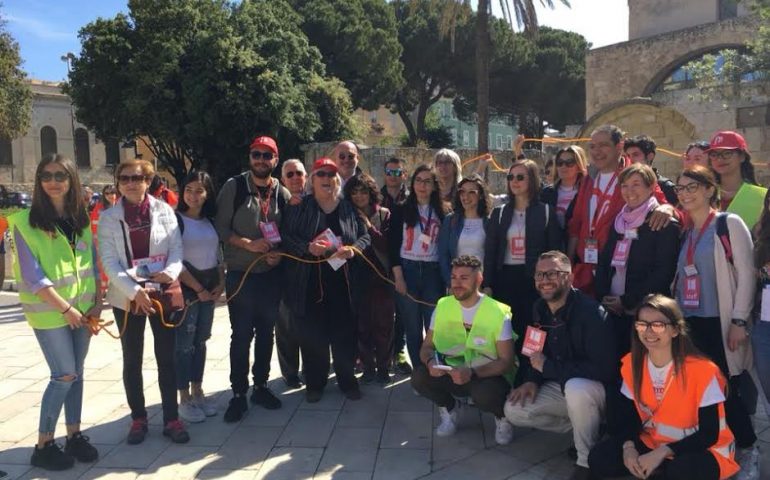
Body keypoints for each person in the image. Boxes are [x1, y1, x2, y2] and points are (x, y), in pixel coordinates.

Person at [8, 154, 101, 470]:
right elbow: (34, 277)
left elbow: (90, 264)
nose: (53, 181)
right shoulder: (23, 221)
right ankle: (44, 444)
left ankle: (74, 435)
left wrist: (97, 301)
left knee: (77, 374)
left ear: (71, 180)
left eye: (60, 175)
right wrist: (67, 310)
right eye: (46, 175)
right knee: (64, 375)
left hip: (84, 310)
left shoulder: (81, 219)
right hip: (51, 314)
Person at [588, 294, 740, 480]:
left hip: (703, 449)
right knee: (599, 458)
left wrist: (662, 453)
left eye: (658, 325)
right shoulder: (631, 365)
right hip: (653, 442)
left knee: (681, 470)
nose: (649, 331)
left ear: (675, 330)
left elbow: (709, 434)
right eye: (642, 324)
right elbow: (628, 419)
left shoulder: (702, 370)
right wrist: (629, 448)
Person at [98, 159, 189, 444]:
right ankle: (138, 418)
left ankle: (172, 418)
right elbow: (109, 262)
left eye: (136, 178)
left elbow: (176, 250)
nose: (129, 183)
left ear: (148, 180)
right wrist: (132, 290)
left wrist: (169, 274)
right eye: (123, 178)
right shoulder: (109, 217)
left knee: (167, 358)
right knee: (132, 357)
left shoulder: (164, 210)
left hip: (160, 290)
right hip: (127, 295)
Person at [504, 251, 617, 480]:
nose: (545, 280)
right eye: (539, 274)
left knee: (577, 388)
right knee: (514, 410)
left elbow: (605, 370)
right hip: (564, 385)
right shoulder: (538, 308)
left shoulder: (592, 313)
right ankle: (588, 430)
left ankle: (586, 462)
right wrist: (531, 380)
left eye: (552, 274)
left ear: (569, 277)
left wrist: (549, 369)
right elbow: (533, 353)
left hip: (596, 391)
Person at [673, 165, 757, 454]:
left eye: (692, 187)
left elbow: (747, 274)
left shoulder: (728, 224)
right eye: (680, 188)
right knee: (706, 388)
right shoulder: (686, 232)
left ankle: (747, 445)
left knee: (727, 385)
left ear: (710, 189)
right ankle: (717, 442)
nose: (685, 194)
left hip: (720, 321)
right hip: (691, 321)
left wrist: (739, 320)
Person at [282, 158, 371, 402]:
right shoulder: (301, 206)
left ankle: (347, 380)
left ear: (337, 180)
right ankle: (315, 383)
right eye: (320, 174)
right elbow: (286, 237)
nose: (326, 179)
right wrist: (307, 247)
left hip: (343, 282)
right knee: (313, 336)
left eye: (331, 175)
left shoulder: (348, 207)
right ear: (312, 179)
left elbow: (365, 237)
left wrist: (353, 250)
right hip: (309, 283)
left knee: (345, 335)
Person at [215, 136, 290, 421]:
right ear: (250, 158)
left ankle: (261, 385)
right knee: (242, 335)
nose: (261, 160)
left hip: (270, 274)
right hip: (241, 274)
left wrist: (279, 253)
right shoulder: (234, 187)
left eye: (267, 155)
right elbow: (221, 228)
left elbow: (286, 233)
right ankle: (238, 392)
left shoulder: (280, 192)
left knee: (266, 333)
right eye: (256, 154)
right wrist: (248, 244)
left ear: (275, 160)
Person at [411, 255, 516, 445]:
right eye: (454, 277)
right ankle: (450, 409)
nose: (457, 283)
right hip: (451, 371)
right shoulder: (443, 306)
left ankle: (502, 417)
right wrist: (430, 362)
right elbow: (426, 347)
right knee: (419, 377)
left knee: (486, 394)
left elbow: (506, 362)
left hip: (485, 374)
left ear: (479, 279)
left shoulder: (498, 312)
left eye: (464, 278)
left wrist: (472, 372)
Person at [567, 125, 673, 296]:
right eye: (592, 146)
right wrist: (568, 265)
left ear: (619, 146)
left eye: (603, 145)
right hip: (585, 270)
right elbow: (577, 223)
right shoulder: (588, 178)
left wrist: (667, 208)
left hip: (616, 271)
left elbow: (664, 205)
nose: (597, 151)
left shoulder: (635, 174)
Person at [483, 160, 562, 383]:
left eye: (520, 177)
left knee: (533, 331)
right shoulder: (499, 213)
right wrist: (487, 284)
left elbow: (556, 252)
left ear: (532, 180)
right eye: (510, 177)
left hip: (534, 281)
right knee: (508, 331)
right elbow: (490, 252)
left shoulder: (546, 212)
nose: (514, 182)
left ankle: (530, 378)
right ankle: (509, 378)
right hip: (505, 279)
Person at [595, 163, 680, 357]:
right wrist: (604, 297)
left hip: (646, 314)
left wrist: (626, 301)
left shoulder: (663, 223)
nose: (629, 191)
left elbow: (663, 273)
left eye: (636, 184)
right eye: (624, 185)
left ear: (651, 188)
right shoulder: (618, 221)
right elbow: (604, 262)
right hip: (614, 310)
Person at [174, 172, 224, 423]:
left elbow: (217, 256)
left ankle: (197, 390)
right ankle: (183, 397)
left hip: (208, 286)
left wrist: (219, 284)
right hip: (187, 289)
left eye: (199, 191)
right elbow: (173, 261)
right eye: (189, 190)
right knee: (184, 344)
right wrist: (198, 289)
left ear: (207, 194)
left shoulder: (210, 221)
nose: (194, 196)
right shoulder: (175, 221)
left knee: (201, 340)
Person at [388, 165, 447, 369]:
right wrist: (398, 277)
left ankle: (435, 369)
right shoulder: (401, 209)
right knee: (412, 328)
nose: (422, 185)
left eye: (427, 181)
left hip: (433, 272)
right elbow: (392, 245)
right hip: (408, 270)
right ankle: (420, 373)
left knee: (434, 327)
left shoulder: (443, 211)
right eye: (419, 180)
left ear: (434, 186)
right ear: (412, 184)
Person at [343, 173, 394, 385]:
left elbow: (387, 246)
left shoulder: (383, 214)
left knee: (384, 325)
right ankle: (368, 367)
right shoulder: (346, 214)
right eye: (354, 192)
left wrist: (369, 226)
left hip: (381, 276)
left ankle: (384, 367)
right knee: (362, 325)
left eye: (363, 191)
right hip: (357, 276)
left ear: (371, 192)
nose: (359, 196)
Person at [379, 157, 412, 375]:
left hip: (403, 259)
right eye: (389, 172)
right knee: (380, 307)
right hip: (379, 258)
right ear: (384, 174)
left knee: (402, 309)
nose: (393, 176)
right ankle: (380, 350)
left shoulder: (411, 198)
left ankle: (399, 350)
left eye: (397, 172)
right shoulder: (375, 196)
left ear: (404, 175)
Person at [277, 158, 307, 388]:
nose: (295, 178)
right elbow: (281, 235)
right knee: (286, 326)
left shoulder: (316, 201)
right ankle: (290, 372)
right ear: (283, 179)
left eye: (299, 173)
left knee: (311, 324)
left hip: (313, 273)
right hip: (286, 271)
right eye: (290, 174)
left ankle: (312, 368)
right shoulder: (278, 204)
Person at [437, 175, 492, 287]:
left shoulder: (489, 222)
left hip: (480, 284)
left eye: (471, 192)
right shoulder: (450, 220)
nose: (465, 196)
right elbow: (443, 255)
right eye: (462, 192)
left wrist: (487, 285)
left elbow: (493, 257)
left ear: (481, 195)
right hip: (457, 284)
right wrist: (450, 282)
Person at [707, 130, 767, 230]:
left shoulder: (762, 196)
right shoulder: (705, 194)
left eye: (727, 153)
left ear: (742, 156)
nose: (720, 159)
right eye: (714, 154)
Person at [540, 145, 588, 230]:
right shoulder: (546, 193)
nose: (563, 166)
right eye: (560, 162)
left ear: (579, 165)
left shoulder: (588, 193)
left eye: (569, 162)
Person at [623, 135, 678, 205]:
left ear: (650, 156)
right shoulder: (624, 186)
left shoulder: (666, 187)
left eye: (635, 155)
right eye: (628, 156)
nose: (630, 160)